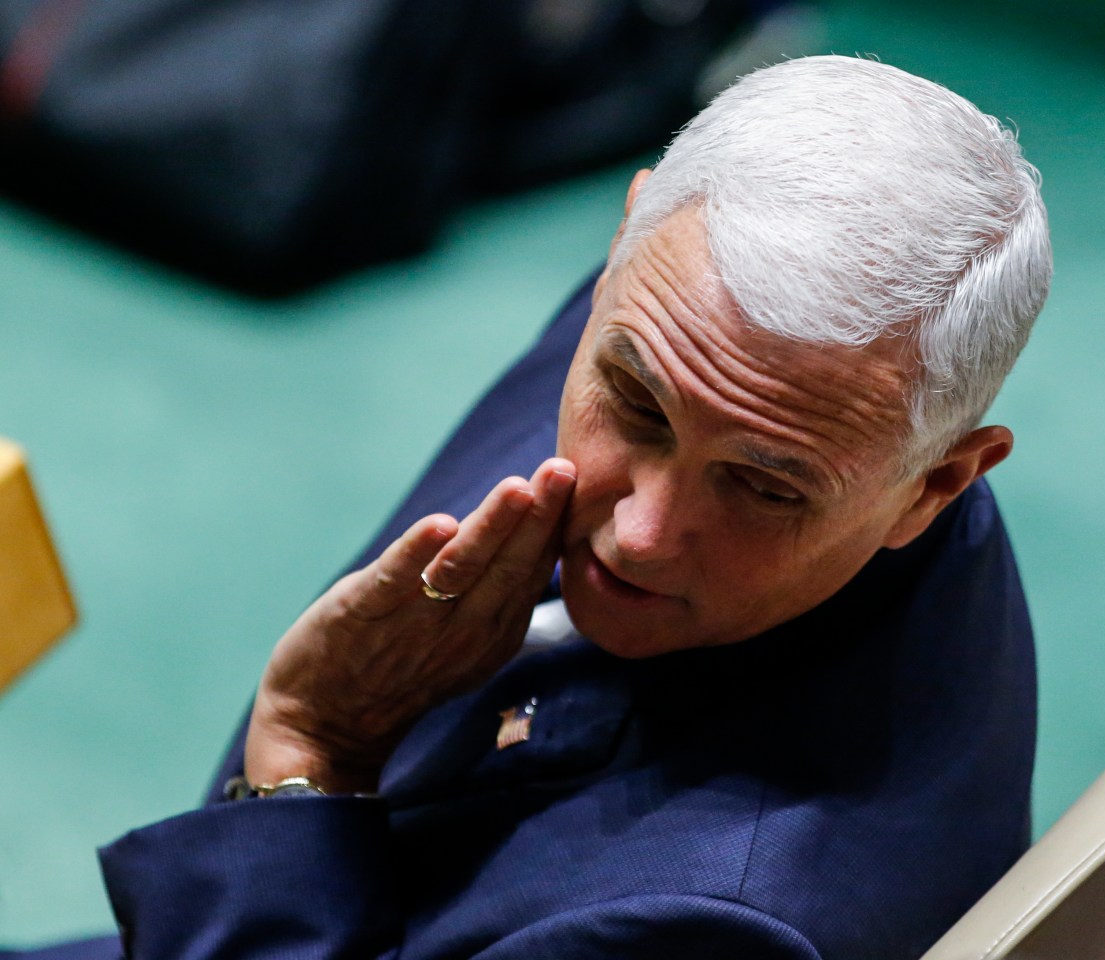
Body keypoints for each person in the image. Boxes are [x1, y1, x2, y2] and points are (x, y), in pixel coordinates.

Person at [18, 55, 1051, 960]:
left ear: (939, 482)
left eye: (765, 487)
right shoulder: (701, 324)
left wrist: (308, 760)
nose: (640, 533)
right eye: (637, 408)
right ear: (624, 244)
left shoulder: (723, 926)